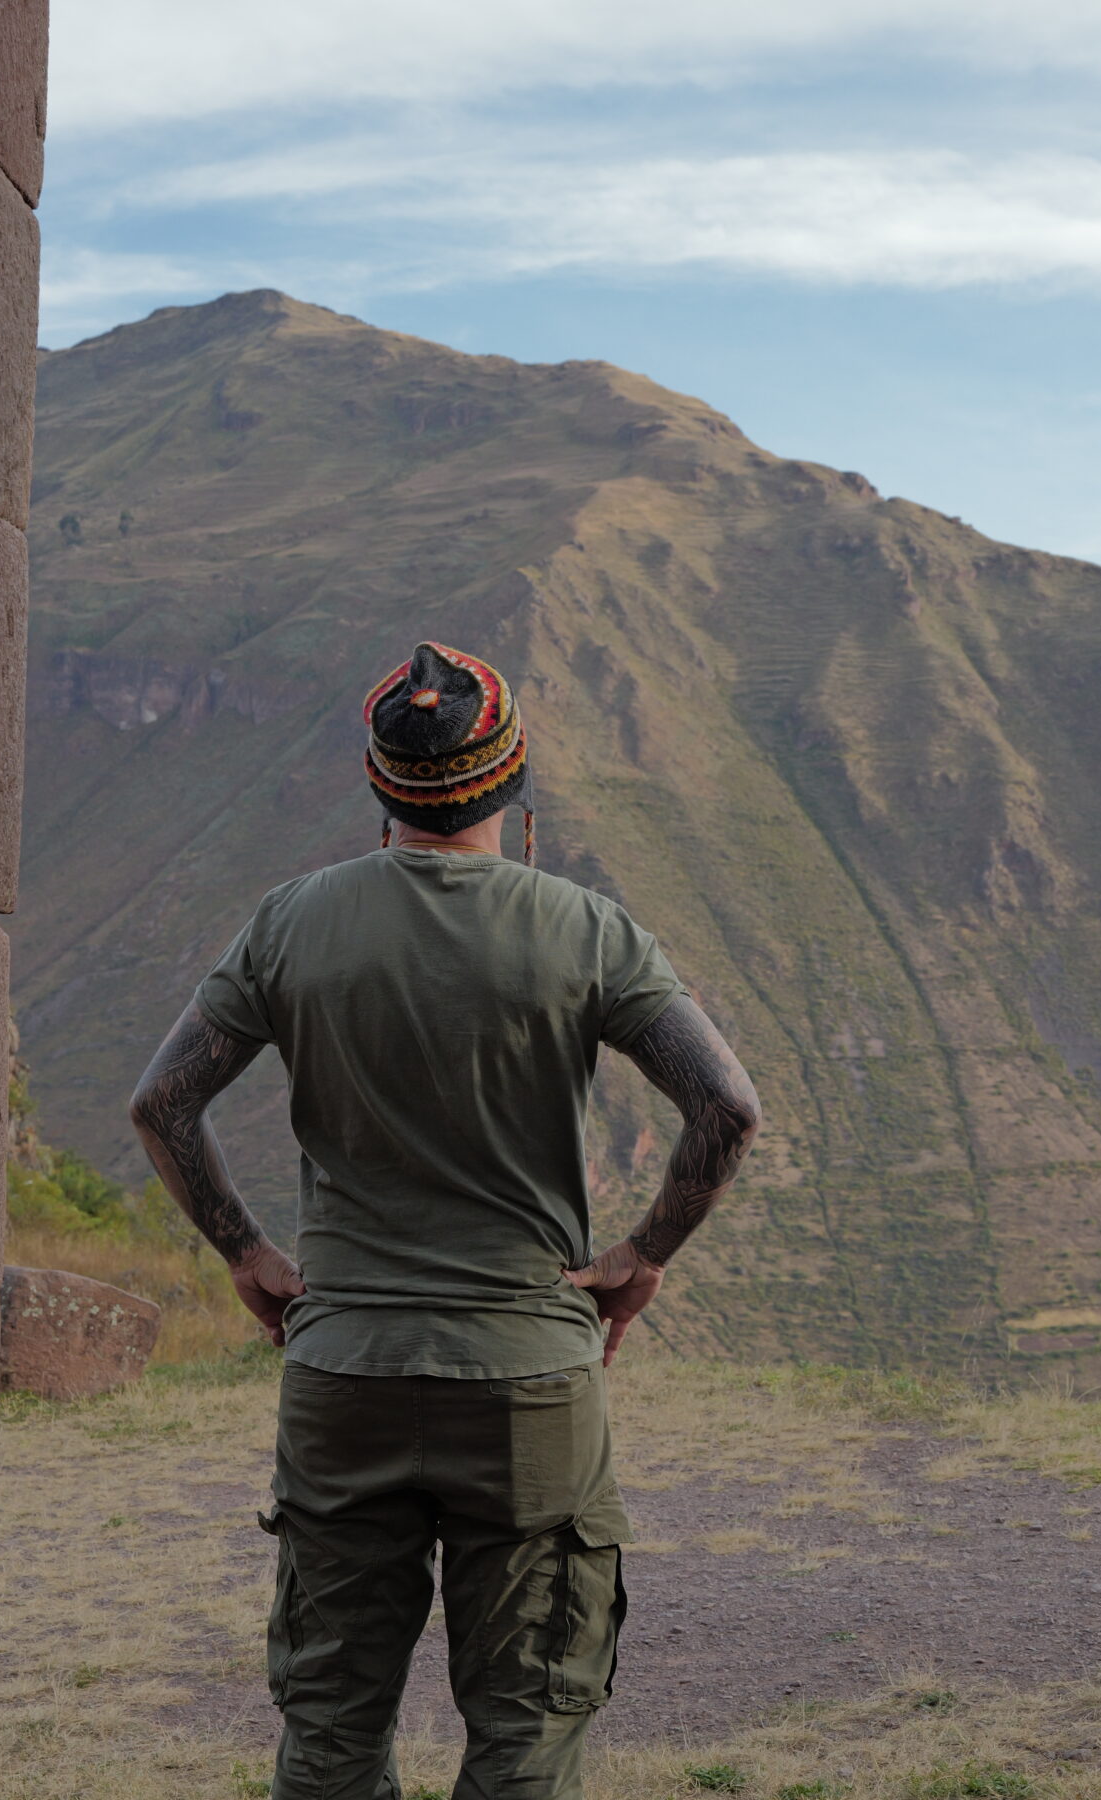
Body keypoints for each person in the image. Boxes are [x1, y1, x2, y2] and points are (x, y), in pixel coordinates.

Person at [128, 639, 762, 1800]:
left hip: (344, 1372)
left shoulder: (289, 922)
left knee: (330, 1729)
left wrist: (246, 1252)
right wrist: (641, 1255)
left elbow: (163, 1101)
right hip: (527, 1381)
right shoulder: (587, 931)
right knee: (527, 1728)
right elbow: (726, 1104)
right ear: (513, 788)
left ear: (384, 790)